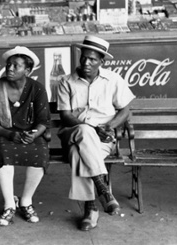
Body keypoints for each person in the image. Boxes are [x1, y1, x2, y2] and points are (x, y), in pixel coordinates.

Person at [56, 36, 135, 231]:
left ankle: (91, 210)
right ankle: (103, 188)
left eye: (92, 59)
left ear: (102, 61)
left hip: (103, 139)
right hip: (73, 132)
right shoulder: (66, 81)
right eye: (83, 58)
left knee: (77, 154)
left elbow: (125, 110)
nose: (86, 63)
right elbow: (65, 116)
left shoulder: (113, 79)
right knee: (84, 130)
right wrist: (91, 127)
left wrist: (110, 127)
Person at [0, 46, 50, 226]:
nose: (10, 69)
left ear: (27, 70)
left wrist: (34, 135)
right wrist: (10, 134)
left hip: (29, 135)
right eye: (8, 65)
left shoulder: (37, 89)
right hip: (3, 134)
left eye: (16, 66)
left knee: (41, 152)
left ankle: (26, 201)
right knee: (3, 150)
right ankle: (9, 204)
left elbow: (44, 120)